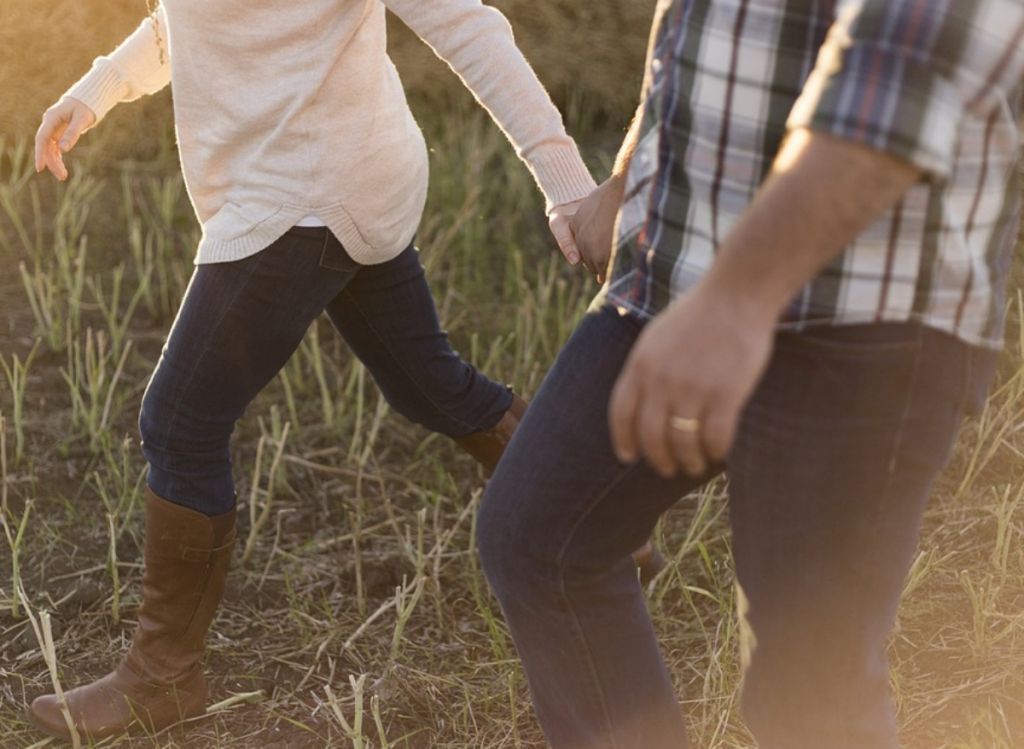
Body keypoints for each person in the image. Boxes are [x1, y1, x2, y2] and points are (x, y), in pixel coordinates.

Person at [25, 0, 610, 741]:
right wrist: (96, 89)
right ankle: (590, 515)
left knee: (179, 420)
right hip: (340, 170)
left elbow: (466, 24)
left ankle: (163, 674)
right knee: (427, 384)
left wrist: (570, 189)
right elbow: (193, 21)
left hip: (305, 190)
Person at [477, 1, 1024, 747]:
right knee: (541, 536)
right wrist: (630, 168)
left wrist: (736, 301)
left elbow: (901, 82)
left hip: (863, 309)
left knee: (807, 689)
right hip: (678, 272)